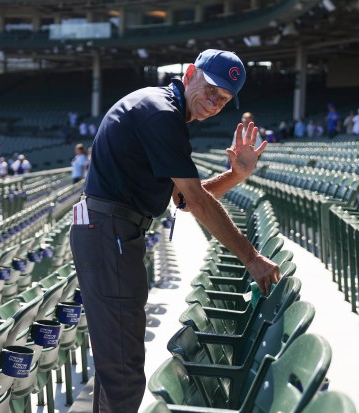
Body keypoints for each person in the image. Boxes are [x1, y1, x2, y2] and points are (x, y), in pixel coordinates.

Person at [70, 49, 279, 413]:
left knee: (116, 362)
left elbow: (182, 199)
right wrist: (252, 258)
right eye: (212, 89)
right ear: (190, 74)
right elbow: (195, 202)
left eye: (224, 99)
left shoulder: (167, 114)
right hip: (108, 232)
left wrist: (237, 175)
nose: (215, 102)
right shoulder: (160, 113)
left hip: (111, 231)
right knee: (125, 371)